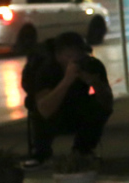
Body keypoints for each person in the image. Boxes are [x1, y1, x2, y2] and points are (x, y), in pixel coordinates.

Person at [21, 31, 113, 162]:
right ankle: (41, 152)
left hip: (77, 108)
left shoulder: (92, 65)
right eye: (69, 56)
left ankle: (82, 150)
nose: (74, 61)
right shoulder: (47, 70)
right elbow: (44, 110)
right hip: (53, 115)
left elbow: (107, 103)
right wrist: (67, 80)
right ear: (58, 56)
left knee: (97, 107)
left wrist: (95, 82)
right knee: (38, 109)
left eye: (79, 56)